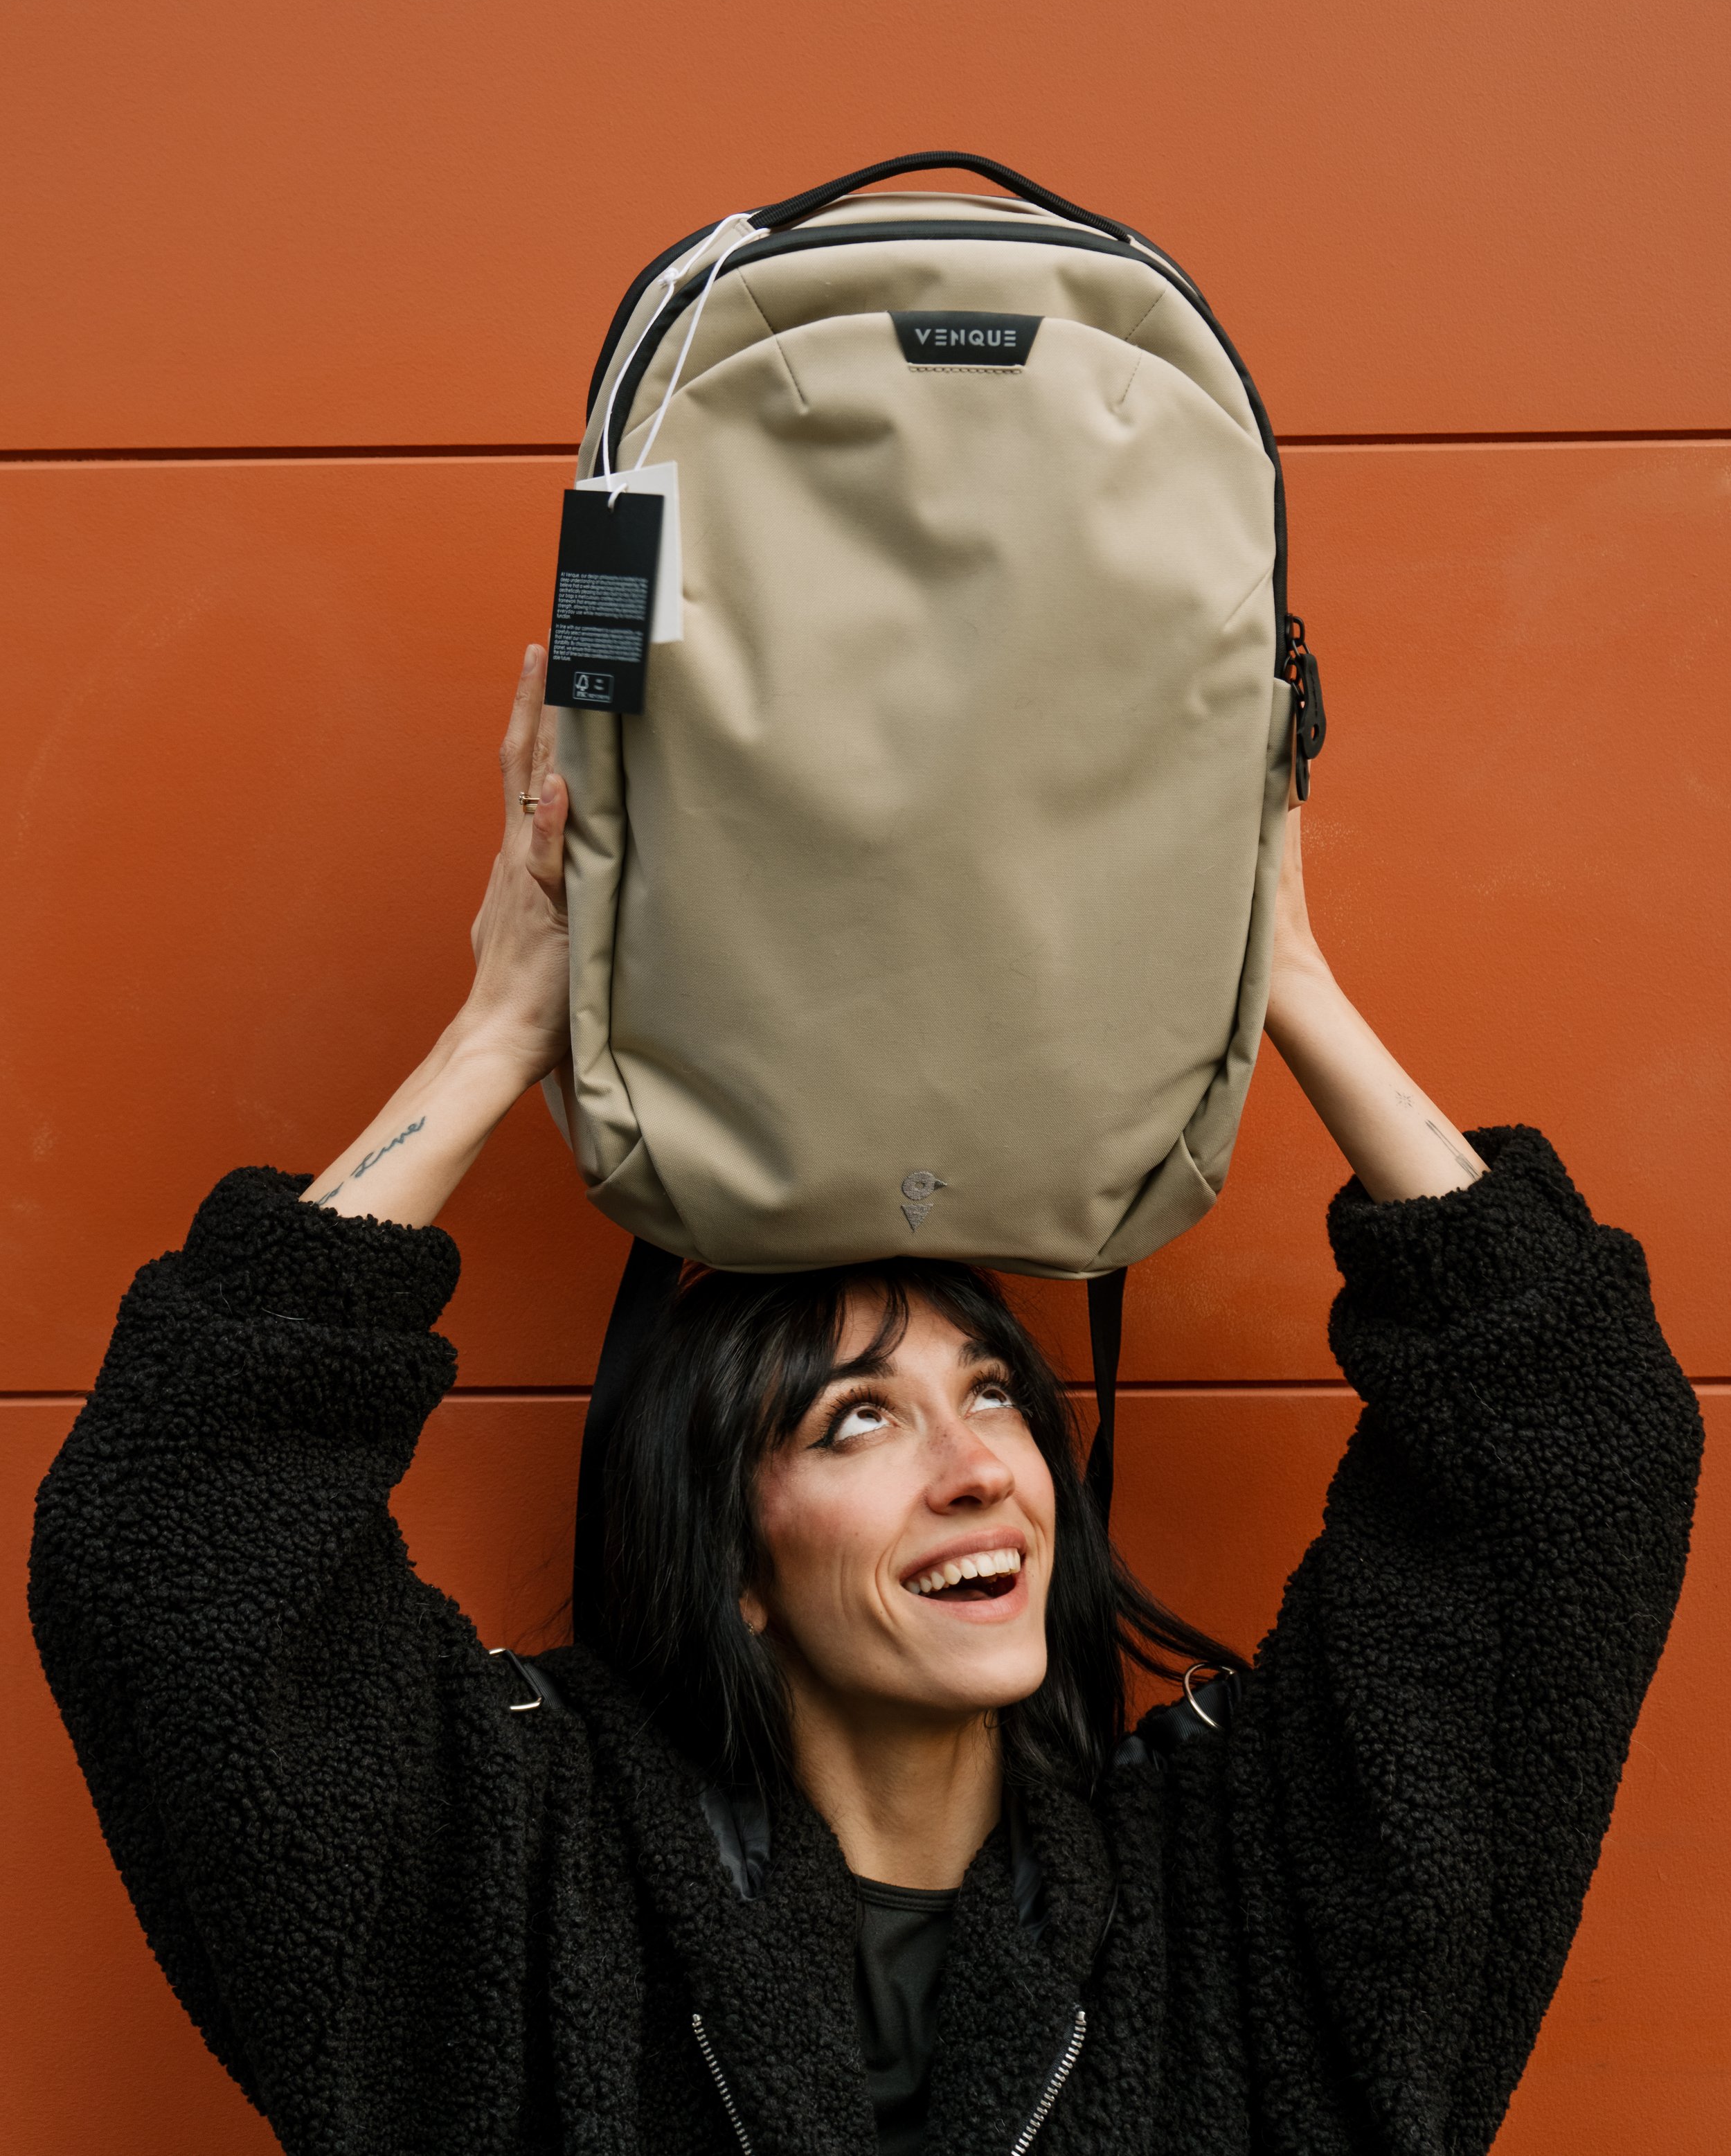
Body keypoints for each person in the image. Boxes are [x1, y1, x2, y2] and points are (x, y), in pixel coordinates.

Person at [31, 645, 1700, 2156]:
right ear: (733, 1560)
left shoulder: (1237, 1906)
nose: (980, 1468)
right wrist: (495, 1033)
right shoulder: (529, 1894)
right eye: (854, 1419)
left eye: (992, 1395)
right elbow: (171, 1543)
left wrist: (1286, 983)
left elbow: (1573, 1462)